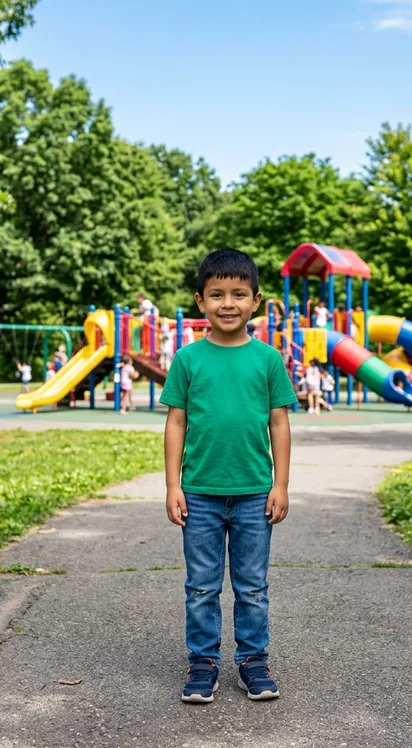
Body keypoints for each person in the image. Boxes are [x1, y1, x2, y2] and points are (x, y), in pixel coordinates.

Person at [160, 248, 297, 704]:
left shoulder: (268, 360)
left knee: (252, 587)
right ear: (200, 301)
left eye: (239, 294)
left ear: (255, 301)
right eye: (216, 294)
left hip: (254, 493)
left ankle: (253, 661)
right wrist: (173, 485)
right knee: (201, 585)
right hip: (199, 493)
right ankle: (203, 662)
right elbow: (176, 422)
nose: (228, 303)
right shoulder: (187, 359)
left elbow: (279, 422)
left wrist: (280, 484)